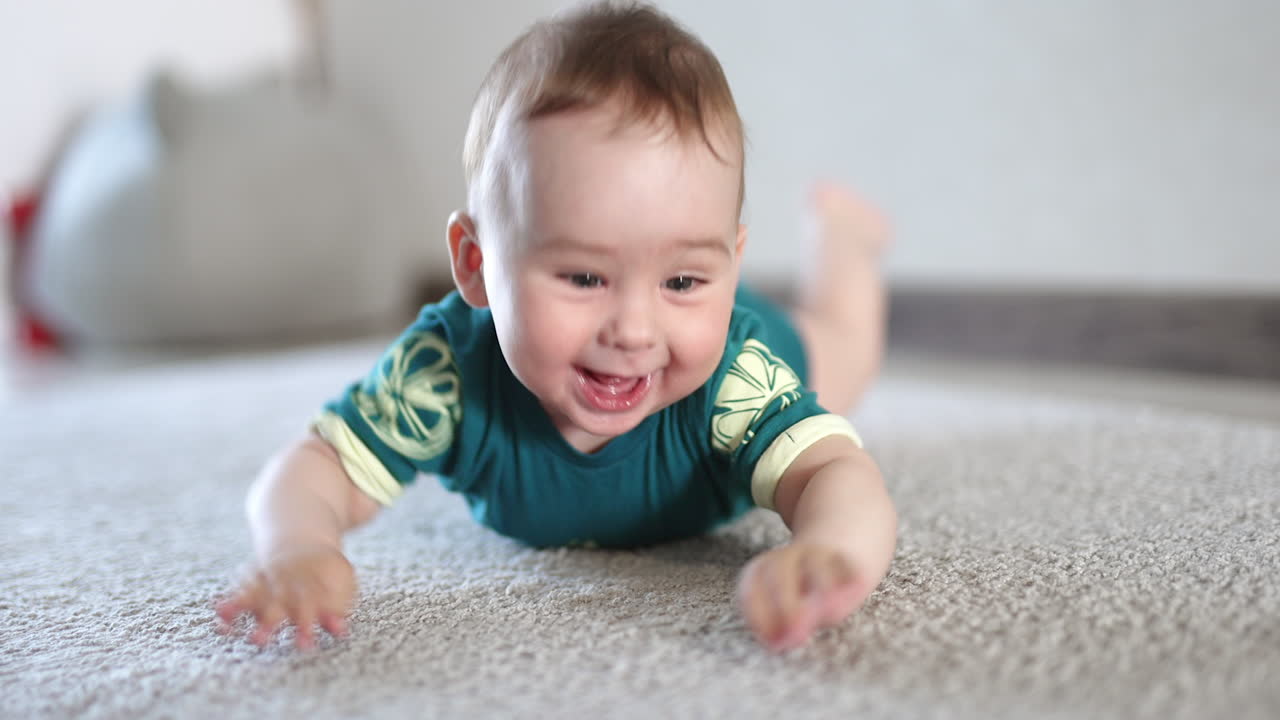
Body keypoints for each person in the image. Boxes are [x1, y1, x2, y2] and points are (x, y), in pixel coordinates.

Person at [216, 0, 896, 654]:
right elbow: (315, 467)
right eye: (583, 278)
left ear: (730, 263)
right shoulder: (447, 371)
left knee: (846, 346)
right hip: (682, 330)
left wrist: (827, 551)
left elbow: (839, 474)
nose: (633, 330)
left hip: (752, 345)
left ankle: (843, 239)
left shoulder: (735, 379)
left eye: (684, 279)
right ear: (476, 266)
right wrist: (300, 548)